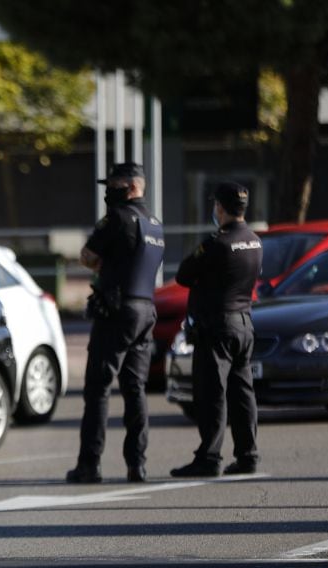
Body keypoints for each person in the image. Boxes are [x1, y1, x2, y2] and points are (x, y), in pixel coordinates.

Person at [66, 162, 165, 484]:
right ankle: (137, 464)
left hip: (117, 310)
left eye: (114, 184)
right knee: (135, 388)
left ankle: (89, 465)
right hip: (146, 311)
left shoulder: (116, 219)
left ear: (133, 186)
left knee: (98, 389)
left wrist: (104, 265)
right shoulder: (154, 224)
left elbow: (86, 256)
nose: (109, 191)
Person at [171, 181, 263, 477]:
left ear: (220, 208)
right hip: (244, 324)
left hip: (218, 327)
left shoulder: (216, 243)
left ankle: (209, 458)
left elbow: (184, 275)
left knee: (212, 393)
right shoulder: (254, 241)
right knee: (242, 393)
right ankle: (248, 455)